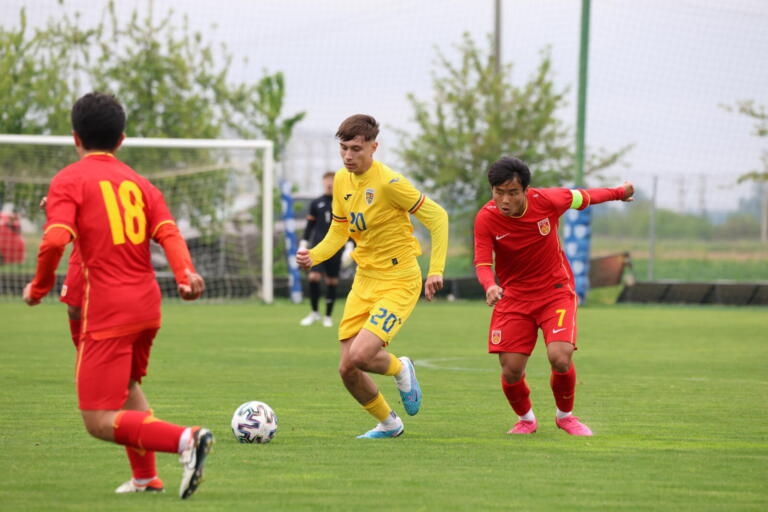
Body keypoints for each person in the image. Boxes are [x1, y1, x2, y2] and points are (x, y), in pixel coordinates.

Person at [23, 92, 214, 498]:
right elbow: (168, 233)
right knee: (125, 387)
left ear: (75, 137)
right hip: (147, 306)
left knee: (98, 420)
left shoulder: (69, 179)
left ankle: (187, 439)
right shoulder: (141, 184)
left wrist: (37, 288)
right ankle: (146, 478)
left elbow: (55, 240)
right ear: (122, 139)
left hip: (106, 309)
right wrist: (185, 275)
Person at [296, 114, 449, 439]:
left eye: (356, 149)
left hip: (399, 278)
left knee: (362, 355)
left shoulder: (390, 183)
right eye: (343, 148)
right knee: (347, 368)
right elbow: (339, 230)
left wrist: (435, 270)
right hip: (364, 279)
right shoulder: (341, 180)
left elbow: (438, 217)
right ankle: (389, 424)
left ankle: (400, 367)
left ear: (373, 147)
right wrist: (314, 256)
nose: (348, 156)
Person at [473, 156, 634, 436]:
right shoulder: (486, 218)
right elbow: (483, 263)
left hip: (555, 292)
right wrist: (489, 285)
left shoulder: (548, 200)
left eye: (513, 192)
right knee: (511, 370)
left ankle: (565, 417)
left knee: (560, 357)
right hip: (514, 298)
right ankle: (526, 420)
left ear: (526, 190)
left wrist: (620, 192)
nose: (505, 200)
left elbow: (585, 197)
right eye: (499, 192)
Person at [298, 170, 347, 328]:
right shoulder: (316, 203)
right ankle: (314, 312)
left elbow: (350, 226)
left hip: (336, 248)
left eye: (332, 180)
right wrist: (303, 243)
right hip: (318, 247)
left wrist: (350, 246)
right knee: (313, 277)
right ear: (323, 182)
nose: (329, 183)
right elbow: (310, 226)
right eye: (327, 180)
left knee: (331, 280)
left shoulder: (343, 202)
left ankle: (328, 316)